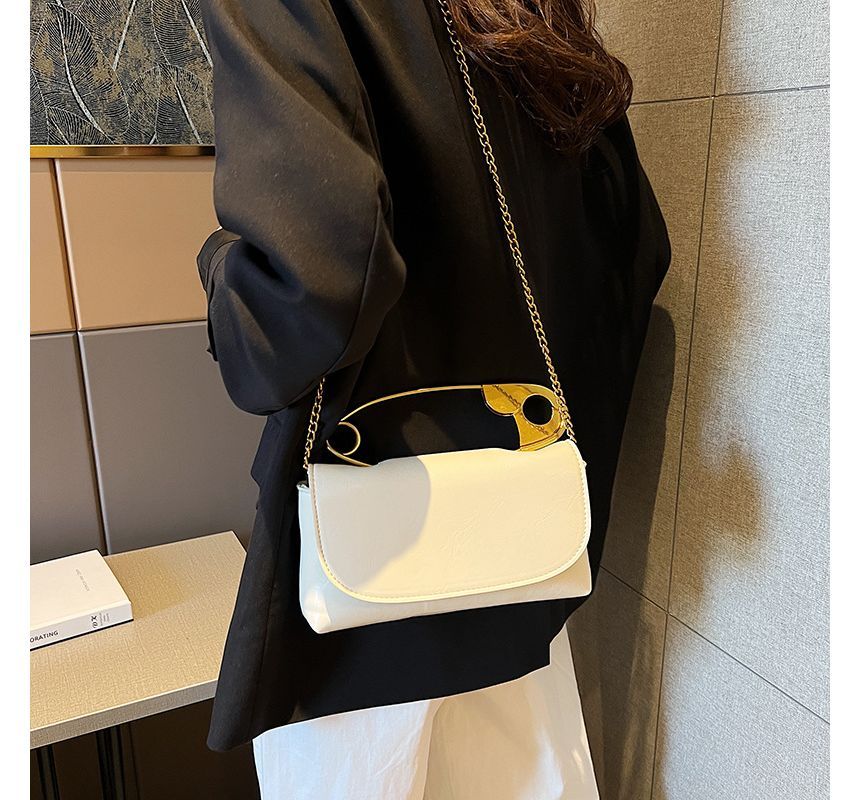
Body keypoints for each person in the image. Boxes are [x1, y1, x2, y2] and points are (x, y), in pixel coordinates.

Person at [196, 0, 671, 797]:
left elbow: (317, 280)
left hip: (363, 618)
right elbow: (635, 251)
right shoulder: (529, 12)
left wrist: (219, 271)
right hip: (521, 574)